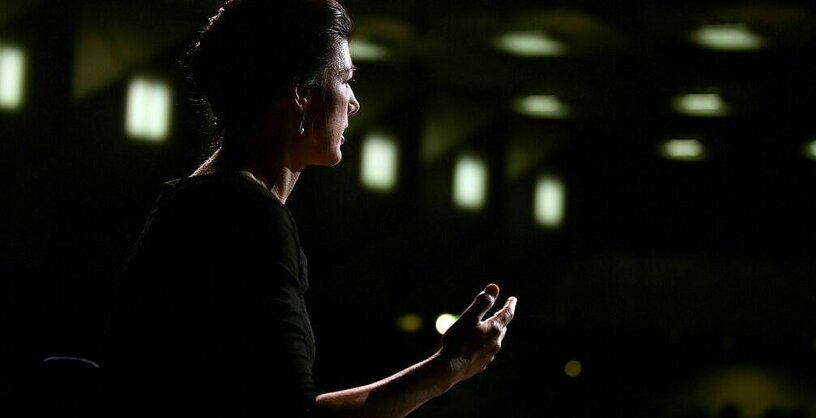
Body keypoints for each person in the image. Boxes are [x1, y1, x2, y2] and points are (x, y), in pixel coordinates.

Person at [102, 0, 517, 417]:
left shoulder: (190, 202)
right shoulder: (250, 219)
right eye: (345, 80)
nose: (353, 103)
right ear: (301, 92)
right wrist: (447, 368)